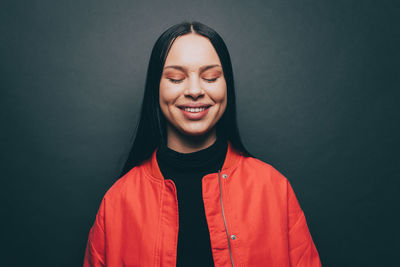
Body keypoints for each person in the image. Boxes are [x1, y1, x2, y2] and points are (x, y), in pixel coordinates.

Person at [83, 21, 322, 267]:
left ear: (226, 85)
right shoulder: (117, 203)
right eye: (176, 78)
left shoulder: (274, 189)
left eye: (210, 77)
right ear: (156, 88)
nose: (195, 90)